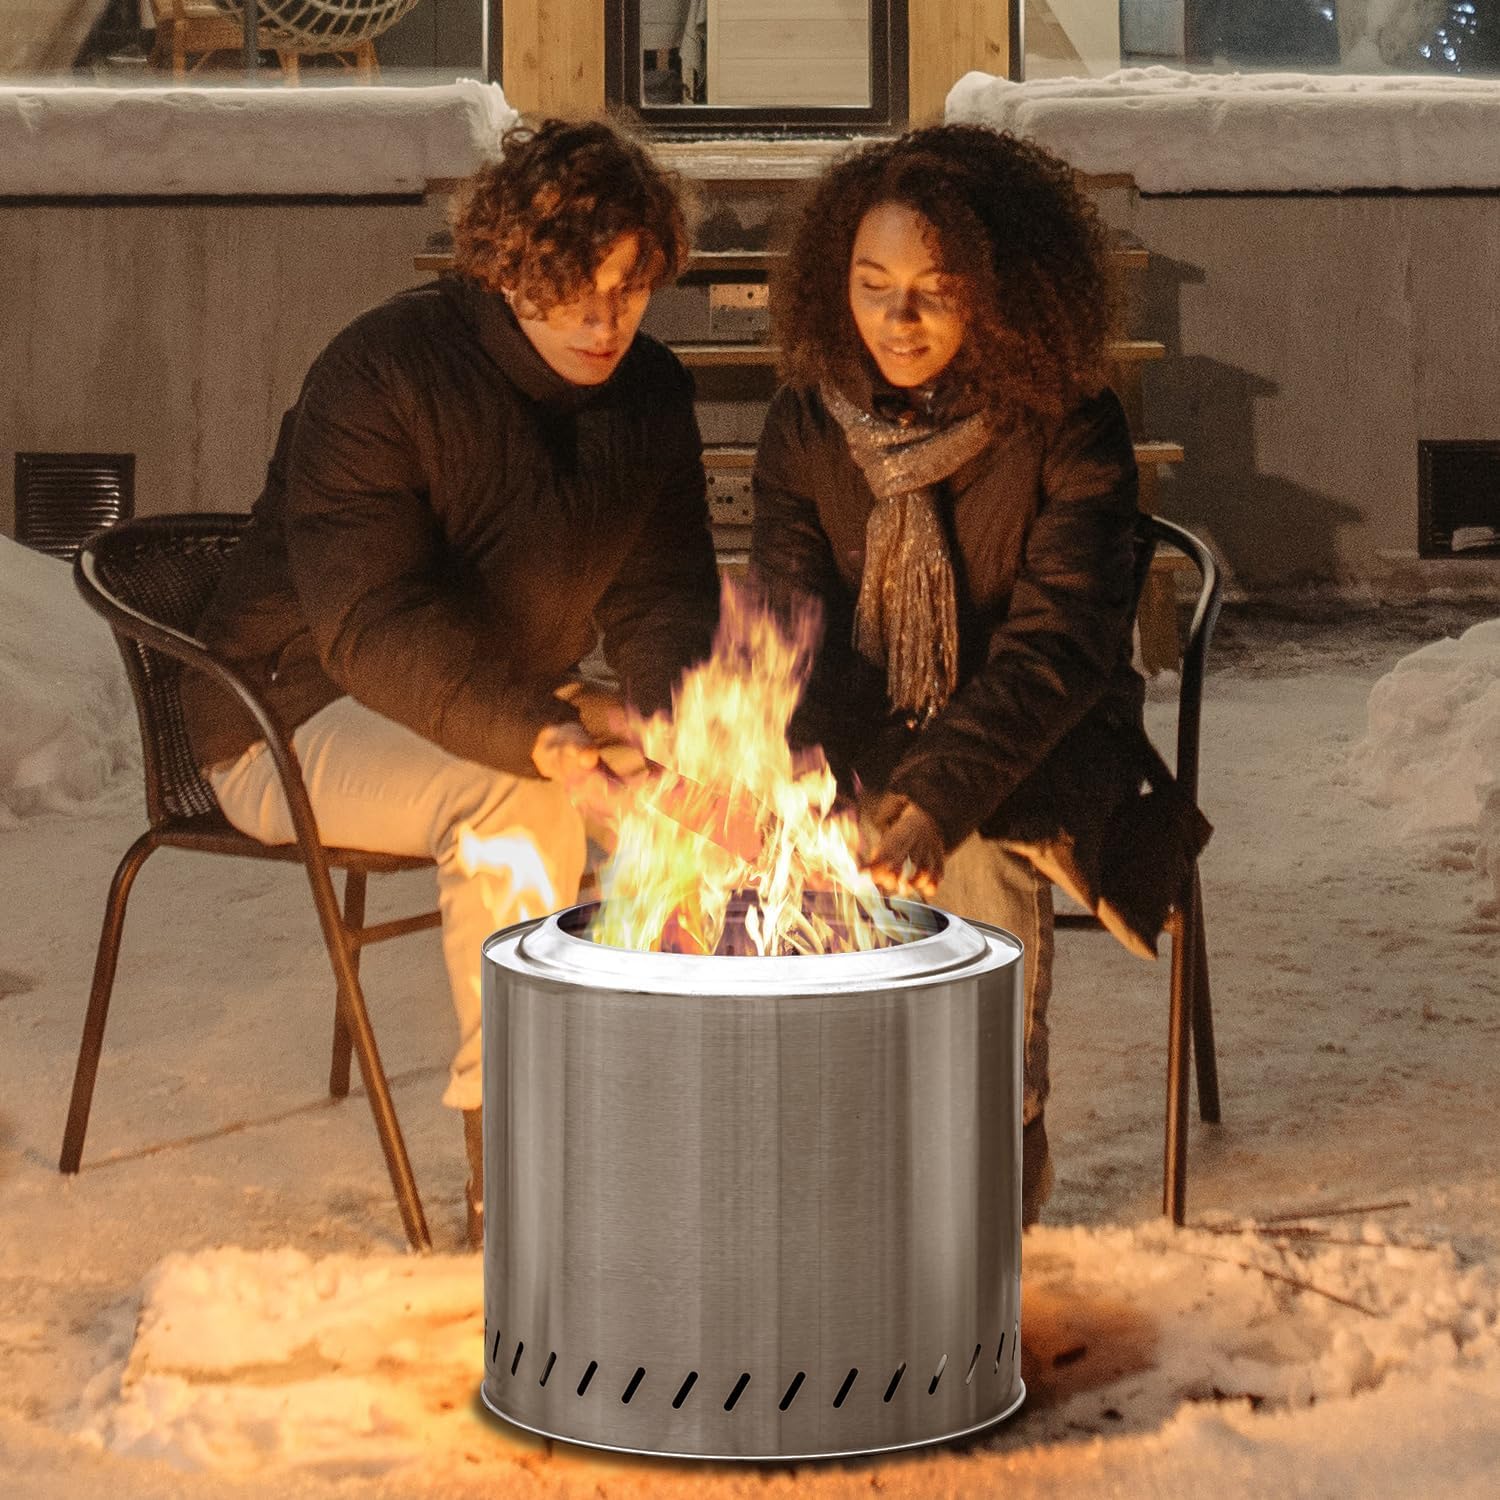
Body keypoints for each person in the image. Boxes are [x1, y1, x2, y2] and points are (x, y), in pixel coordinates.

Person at [181, 118, 720, 1246]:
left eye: (629, 285)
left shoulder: (648, 392)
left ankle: (672, 1126)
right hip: (291, 710)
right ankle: (519, 1172)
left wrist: (677, 725)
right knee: (517, 798)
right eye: (573, 284)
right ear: (505, 265)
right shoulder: (383, 372)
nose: (603, 317)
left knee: (693, 796)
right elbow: (373, 623)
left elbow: (664, 593)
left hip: (499, 693)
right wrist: (551, 738)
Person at [751, 124, 1211, 1226]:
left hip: (1042, 733)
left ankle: (994, 1135)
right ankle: (815, 1136)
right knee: (742, 849)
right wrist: (797, 779)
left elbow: (1057, 648)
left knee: (970, 854)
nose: (898, 321)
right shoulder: (806, 421)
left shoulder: (1067, 419)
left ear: (998, 291)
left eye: (933, 290)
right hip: (869, 723)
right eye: (872, 287)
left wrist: (934, 797)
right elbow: (790, 635)